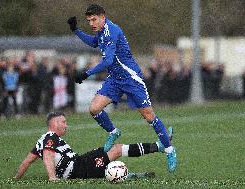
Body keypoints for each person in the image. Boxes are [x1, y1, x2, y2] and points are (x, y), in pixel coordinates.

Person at [67, 4, 177, 172]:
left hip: (130, 78)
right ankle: (113, 132)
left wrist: (87, 73)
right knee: (94, 108)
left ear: (103, 17)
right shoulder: (101, 33)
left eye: (94, 19)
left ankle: (169, 150)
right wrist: (76, 30)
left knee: (149, 116)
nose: (91, 23)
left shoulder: (112, 31)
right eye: (89, 21)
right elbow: (93, 42)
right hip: (115, 80)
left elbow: (108, 61)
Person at [14, 112, 173, 181]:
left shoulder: (41, 140)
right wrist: (52, 177)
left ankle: (125, 175)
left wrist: (16, 179)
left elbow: (27, 162)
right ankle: (159, 146)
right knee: (116, 149)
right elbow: (48, 156)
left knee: (106, 152)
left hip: (78, 164)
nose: (66, 125)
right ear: (54, 124)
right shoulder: (50, 137)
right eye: (63, 122)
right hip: (77, 168)